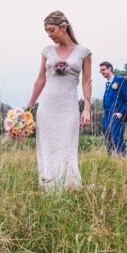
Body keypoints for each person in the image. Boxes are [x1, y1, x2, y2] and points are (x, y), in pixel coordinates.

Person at [27, 10, 92, 190]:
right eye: (47, 31)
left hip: (69, 107)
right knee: (46, 147)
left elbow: (86, 82)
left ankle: (69, 186)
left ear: (64, 27)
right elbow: (40, 79)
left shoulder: (83, 52)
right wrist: (29, 107)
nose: (49, 35)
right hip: (47, 107)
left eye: (52, 30)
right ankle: (49, 187)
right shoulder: (47, 51)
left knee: (67, 146)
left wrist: (87, 108)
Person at [99, 61, 127, 157]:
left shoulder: (120, 80)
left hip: (116, 116)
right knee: (108, 139)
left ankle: (122, 159)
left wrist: (121, 113)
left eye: (103, 69)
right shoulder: (107, 84)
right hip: (106, 117)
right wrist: (104, 115)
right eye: (100, 70)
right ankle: (110, 160)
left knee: (117, 138)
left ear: (109, 69)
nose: (101, 72)